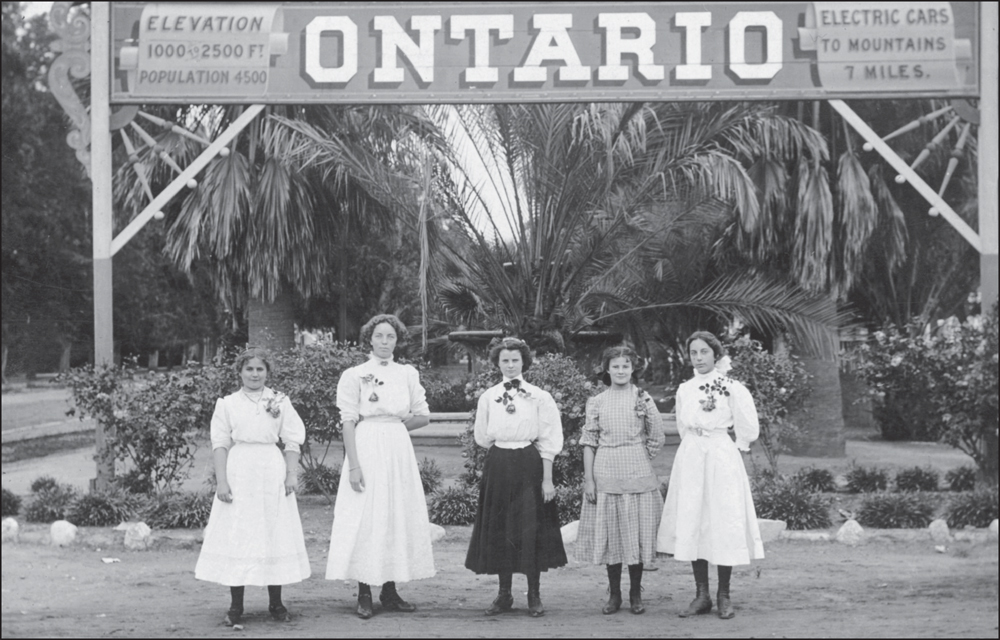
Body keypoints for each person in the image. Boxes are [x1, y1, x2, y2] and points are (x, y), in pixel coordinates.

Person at [325, 314, 435, 619]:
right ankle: (364, 592)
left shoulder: (407, 373)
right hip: (367, 445)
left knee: (394, 515)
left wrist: (395, 428)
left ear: (397, 341)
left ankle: (389, 591)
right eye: (380, 336)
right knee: (367, 517)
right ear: (369, 339)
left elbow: (423, 415)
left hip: (397, 449)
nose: (385, 342)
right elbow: (348, 422)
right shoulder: (354, 374)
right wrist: (354, 466)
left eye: (391, 337)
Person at [194, 347, 311, 627]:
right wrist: (222, 481)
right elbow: (220, 443)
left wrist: (291, 474)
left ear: (267, 372)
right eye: (249, 369)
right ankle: (236, 606)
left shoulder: (280, 401)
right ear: (240, 372)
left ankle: (276, 603)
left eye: (260, 369)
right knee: (241, 532)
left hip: (271, 468)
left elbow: (293, 439)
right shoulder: (228, 403)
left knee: (273, 530)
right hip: (240, 469)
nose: (255, 374)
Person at [656, 331, 764, 620]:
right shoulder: (685, 389)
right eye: (694, 353)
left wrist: (734, 449)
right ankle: (701, 594)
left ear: (715, 354)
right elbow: (682, 425)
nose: (699, 358)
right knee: (695, 519)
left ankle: (723, 595)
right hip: (692, 456)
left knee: (721, 522)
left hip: (720, 456)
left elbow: (747, 426)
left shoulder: (731, 387)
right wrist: (695, 446)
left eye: (704, 352)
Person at [465, 337, 567, 618]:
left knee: (529, 528)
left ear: (524, 362)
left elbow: (549, 438)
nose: (510, 365)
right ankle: (504, 594)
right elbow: (483, 436)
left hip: (528, 463)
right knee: (501, 528)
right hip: (498, 463)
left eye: (515, 360)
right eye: (505, 360)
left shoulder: (539, 397)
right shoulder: (488, 397)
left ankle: (533, 594)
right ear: (497, 363)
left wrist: (547, 479)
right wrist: (502, 452)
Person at [576, 346, 665, 615]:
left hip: (636, 470)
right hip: (606, 471)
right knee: (611, 535)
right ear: (607, 369)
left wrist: (640, 454)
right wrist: (589, 480)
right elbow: (589, 442)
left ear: (633, 369)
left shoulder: (642, 397)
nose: (621, 370)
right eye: (616, 366)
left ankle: (635, 593)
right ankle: (614, 594)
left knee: (636, 534)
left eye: (626, 365)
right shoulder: (598, 401)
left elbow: (657, 433)